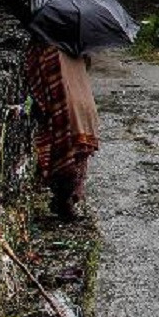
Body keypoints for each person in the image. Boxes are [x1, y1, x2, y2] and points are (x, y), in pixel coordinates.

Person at [23, 39, 99, 221]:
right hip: (85, 108)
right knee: (77, 158)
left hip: (66, 109)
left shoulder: (46, 48)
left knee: (64, 159)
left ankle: (64, 201)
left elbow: (37, 78)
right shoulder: (78, 44)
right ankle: (67, 200)